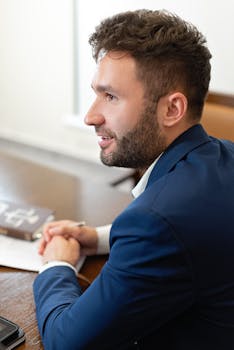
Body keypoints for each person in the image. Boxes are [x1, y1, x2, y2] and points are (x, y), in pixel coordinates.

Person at [33, 9, 234, 349]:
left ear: (172, 109)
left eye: (110, 96)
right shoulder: (224, 156)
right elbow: (190, 236)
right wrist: (97, 239)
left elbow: (66, 342)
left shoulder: (158, 221)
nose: (90, 115)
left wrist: (57, 264)